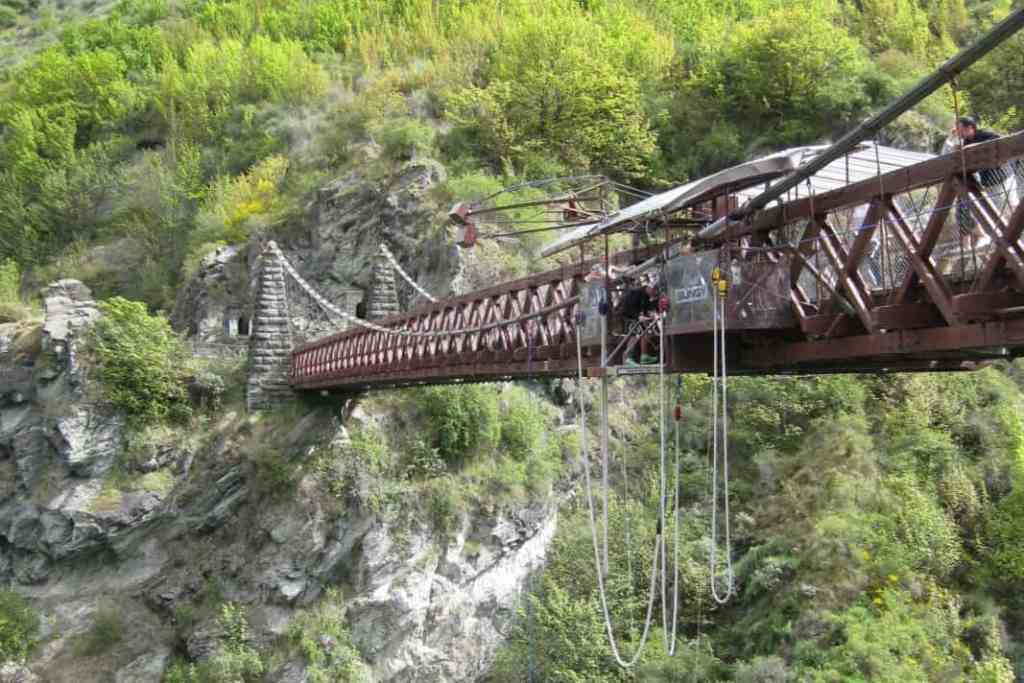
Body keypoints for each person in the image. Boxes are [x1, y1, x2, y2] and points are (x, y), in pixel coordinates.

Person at [620, 276, 660, 365]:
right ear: (649, 288)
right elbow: (627, 308)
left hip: (636, 317)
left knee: (646, 332)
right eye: (654, 291)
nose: (654, 294)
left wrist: (652, 315)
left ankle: (644, 356)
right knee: (634, 336)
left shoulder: (646, 296)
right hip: (628, 316)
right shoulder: (636, 293)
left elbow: (648, 309)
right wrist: (638, 316)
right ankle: (627, 358)